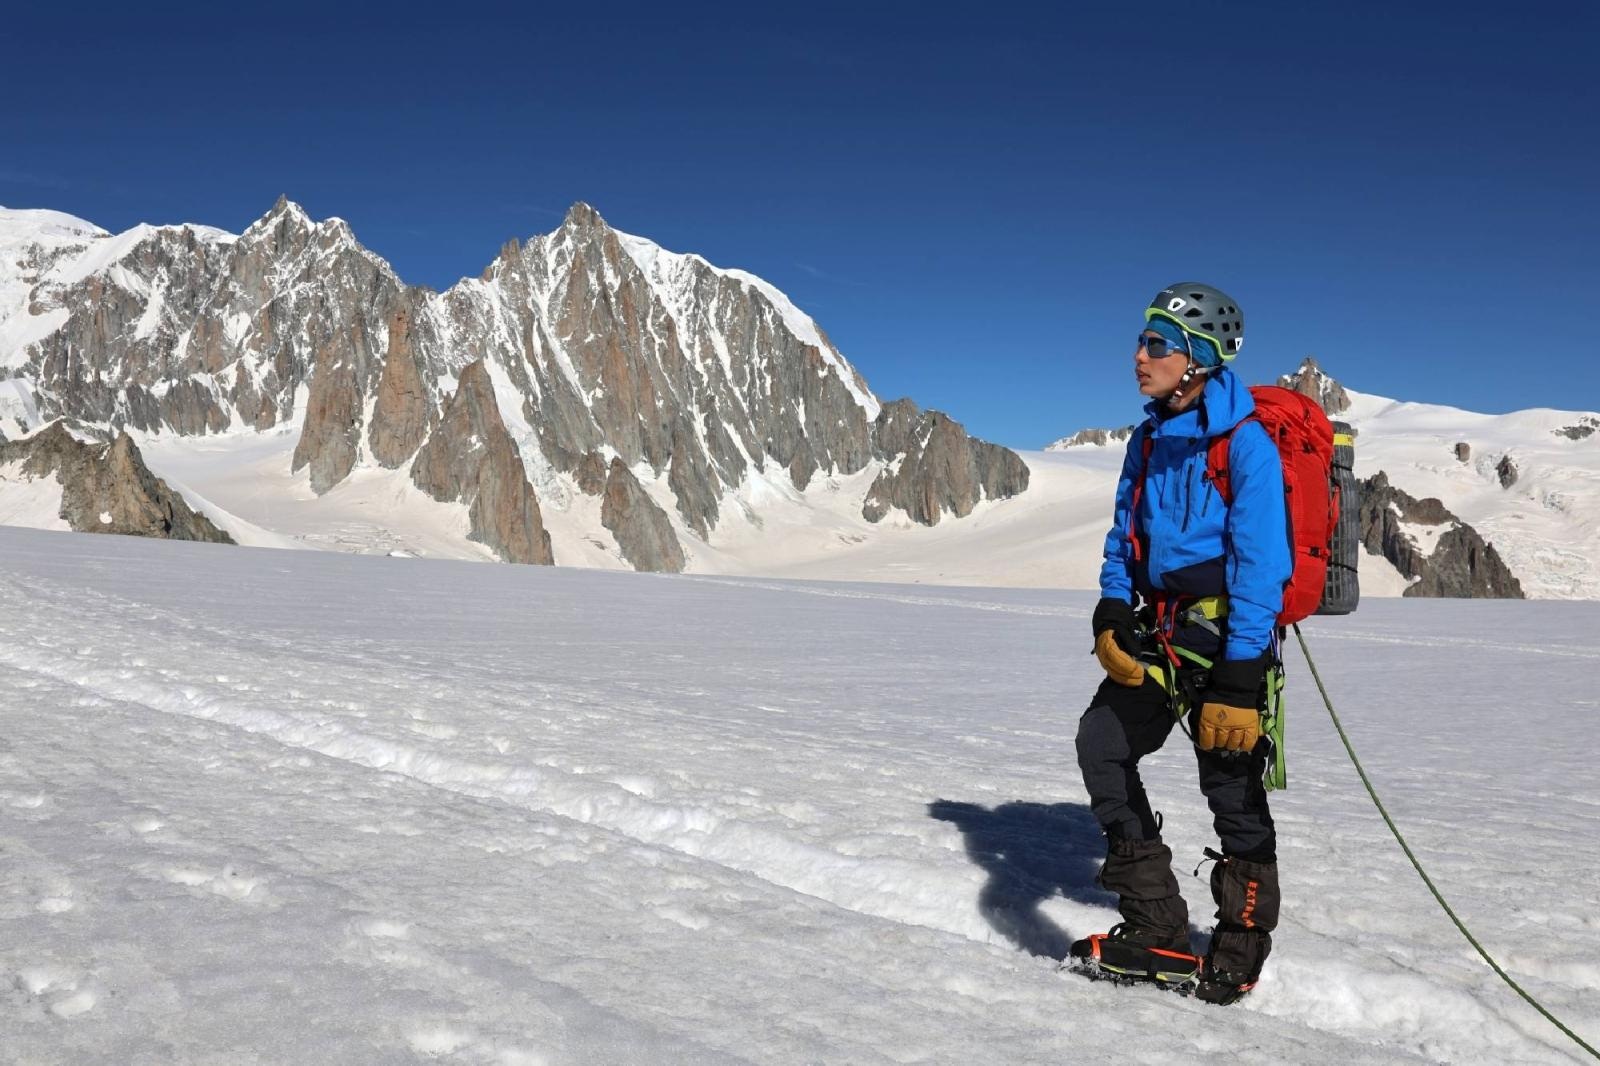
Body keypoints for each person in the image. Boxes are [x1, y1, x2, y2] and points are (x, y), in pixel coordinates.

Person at [1067, 282, 1291, 1005]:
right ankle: (1156, 918)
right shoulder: (1147, 439)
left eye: (1157, 344)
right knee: (1103, 741)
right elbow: (1121, 535)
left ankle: (1241, 940)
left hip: (1226, 637)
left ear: (1197, 358)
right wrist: (1111, 604)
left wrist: (1241, 676)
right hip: (1161, 629)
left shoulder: (1244, 445)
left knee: (1229, 781)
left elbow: (1262, 568)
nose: (1140, 356)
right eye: (1143, 340)